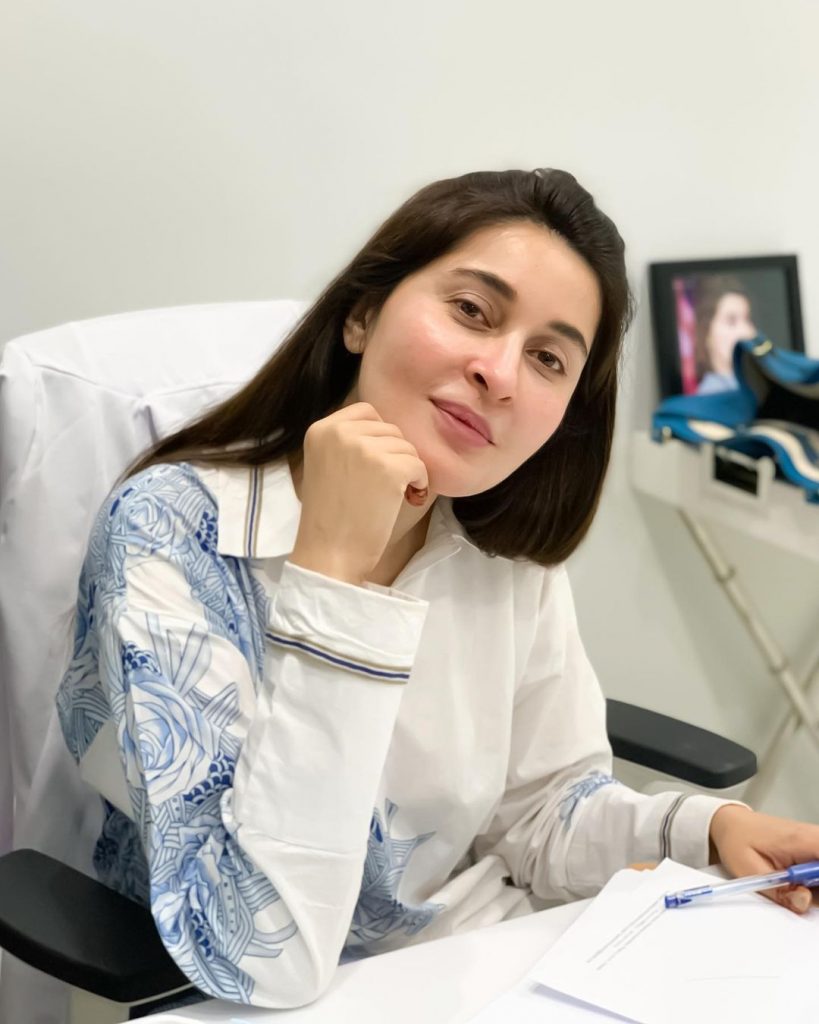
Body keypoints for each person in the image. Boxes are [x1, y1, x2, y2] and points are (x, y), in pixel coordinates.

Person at [56, 168, 819, 1010]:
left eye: (547, 358)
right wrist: (332, 574)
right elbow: (260, 947)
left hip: (484, 967)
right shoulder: (173, 534)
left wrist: (706, 830)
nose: (499, 373)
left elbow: (538, 816)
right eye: (471, 311)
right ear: (360, 313)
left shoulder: (498, 546)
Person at [694, 275, 757, 394]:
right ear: (706, 332)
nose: (747, 332)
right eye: (731, 321)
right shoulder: (710, 396)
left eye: (748, 319)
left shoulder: (753, 387)